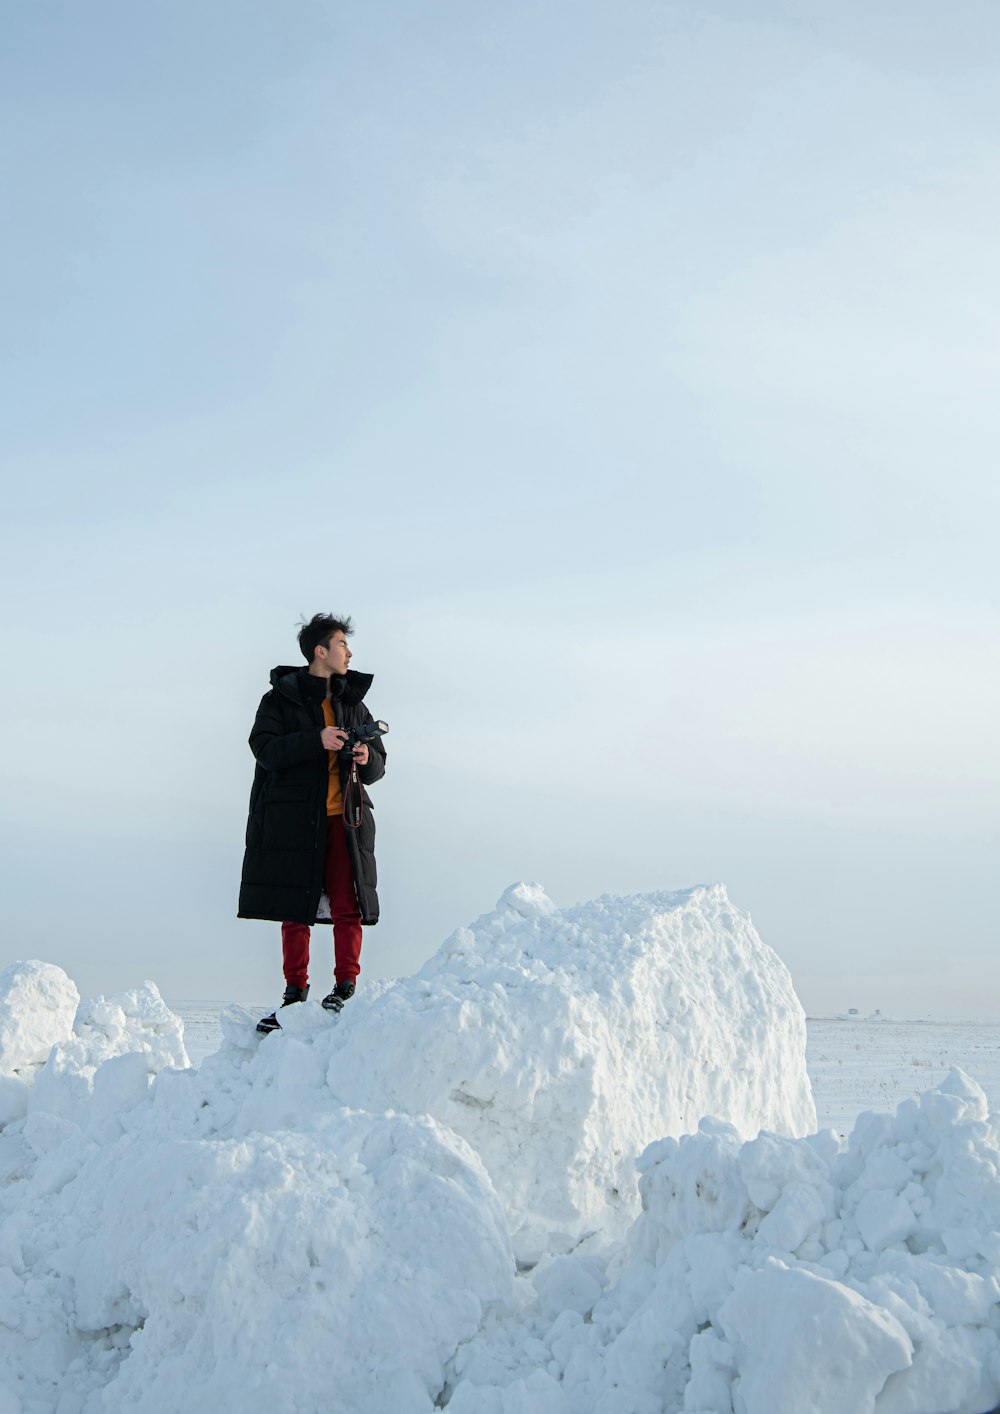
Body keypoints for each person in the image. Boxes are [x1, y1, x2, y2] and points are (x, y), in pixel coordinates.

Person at [238, 613, 386, 1032]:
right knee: (294, 909)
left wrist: (365, 757)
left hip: (346, 819)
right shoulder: (279, 700)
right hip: (294, 820)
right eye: (342, 644)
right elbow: (263, 748)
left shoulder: (353, 701)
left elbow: (379, 766)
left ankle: (344, 988)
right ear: (321, 651)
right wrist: (315, 739)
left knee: (347, 904)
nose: (349, 652)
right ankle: (294, 994)